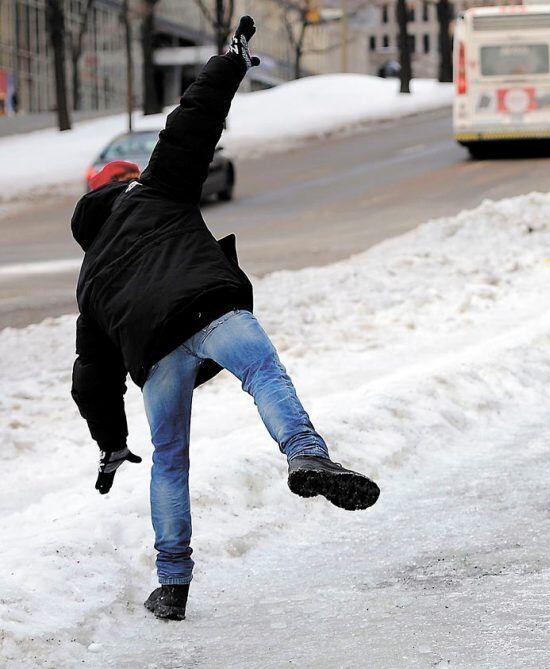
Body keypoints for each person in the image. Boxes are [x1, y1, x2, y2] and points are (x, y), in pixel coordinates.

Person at [70, 17, 380, 622]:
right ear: (122, 192)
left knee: (170, 460)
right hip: (210, 310)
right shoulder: (155, 191)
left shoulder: (90, 282)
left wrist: (110, 446)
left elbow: (91, 378)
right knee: (262, 370)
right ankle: (305, 454)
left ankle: (173, 584)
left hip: (156, 358)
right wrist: (231, 61)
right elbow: (191, 124)